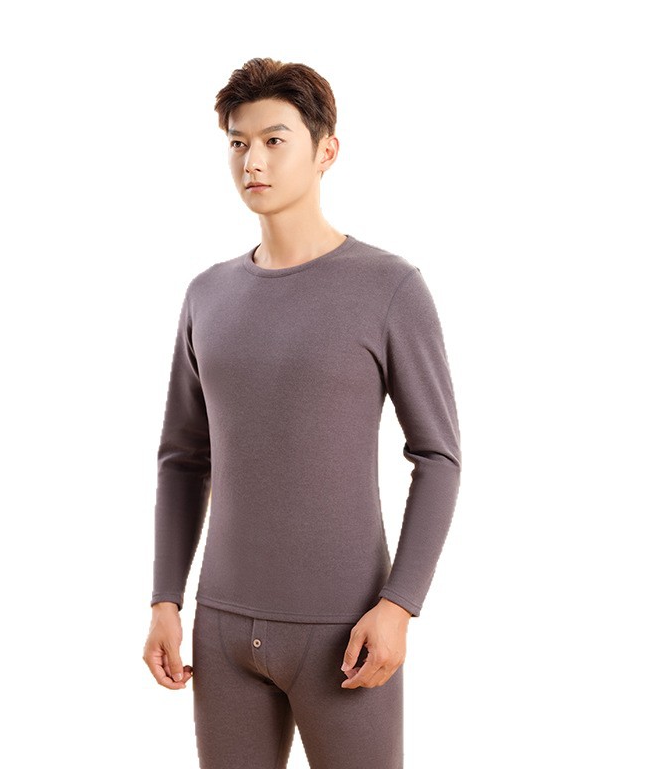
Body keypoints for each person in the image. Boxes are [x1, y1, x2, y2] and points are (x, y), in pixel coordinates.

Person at [143, 57, 462, 769]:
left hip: (347, 633)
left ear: (326, 151)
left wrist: (399, 605)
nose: (251, 160)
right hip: (222, 629)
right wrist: (166, 599)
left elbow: (438, 457)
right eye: (237, 142)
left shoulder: (389, 288)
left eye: (274, 140)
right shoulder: (206, 294)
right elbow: (183, 458)